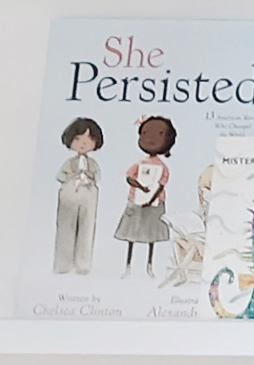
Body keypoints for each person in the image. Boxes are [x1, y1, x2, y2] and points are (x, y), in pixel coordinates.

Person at [115, 115, 177, 275]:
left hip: (154, 205)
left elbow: (160, 185)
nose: (151, 139)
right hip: (136, 202)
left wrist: (151, 199)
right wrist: (141, 187)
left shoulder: (163, 167)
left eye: (159, 135)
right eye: (146, 133)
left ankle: (149, 267)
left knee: (151, 237)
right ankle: (128, 266)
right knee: (131, 235)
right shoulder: (139, 164)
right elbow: (129, 177)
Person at [50, 117, 103, 274]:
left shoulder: (92, 163)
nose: (84, 143)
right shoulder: (69, 163)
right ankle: (62, 264)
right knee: (66, 227)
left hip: (88, 194)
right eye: (78, 138)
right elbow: (60, 176)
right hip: (70, 193)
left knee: (87, 228)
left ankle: (83, 264)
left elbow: (97, 176)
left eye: (90, 138)